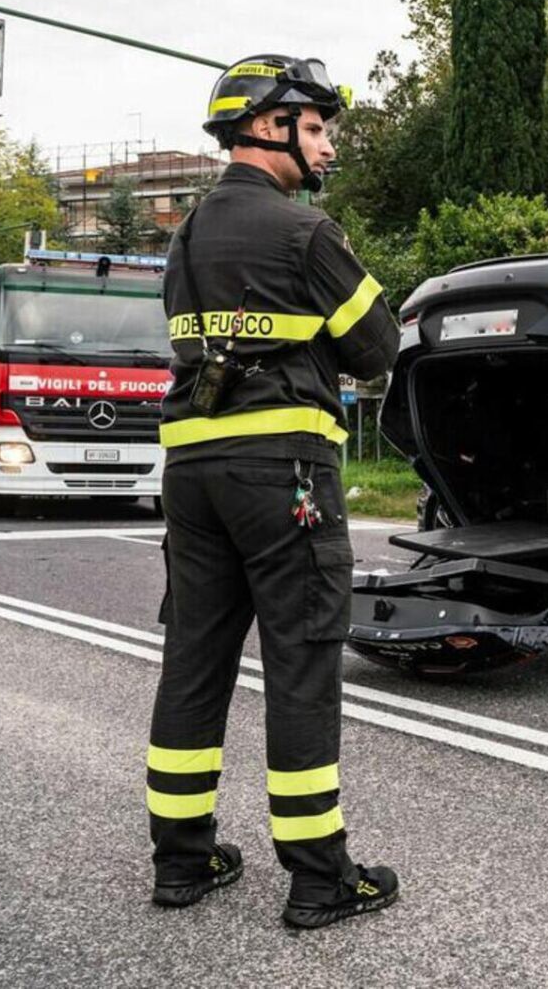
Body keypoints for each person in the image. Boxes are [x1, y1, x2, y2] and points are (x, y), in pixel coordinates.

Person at [144, 53, 401, 929]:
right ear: (268, 126)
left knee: (194, 660)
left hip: (191, 475)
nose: (327, 147)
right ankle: (319, 877)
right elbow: (378, 347)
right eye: (316, 128)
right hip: (284, 473)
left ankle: (182, 860)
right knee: (301, 661)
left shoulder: (185, 237)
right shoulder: (306, 232)